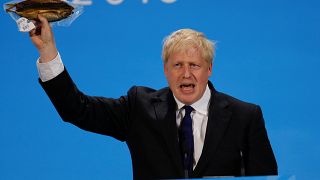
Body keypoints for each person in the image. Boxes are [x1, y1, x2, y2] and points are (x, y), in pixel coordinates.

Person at [30, 15, 278, 179]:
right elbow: (78, 109)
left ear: (209, 69)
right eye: (177, 65)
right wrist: (48, 52)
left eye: (194, 65)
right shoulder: (139, 107)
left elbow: (263, 177)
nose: (186, 74)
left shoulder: (245, 116)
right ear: (165, 70)